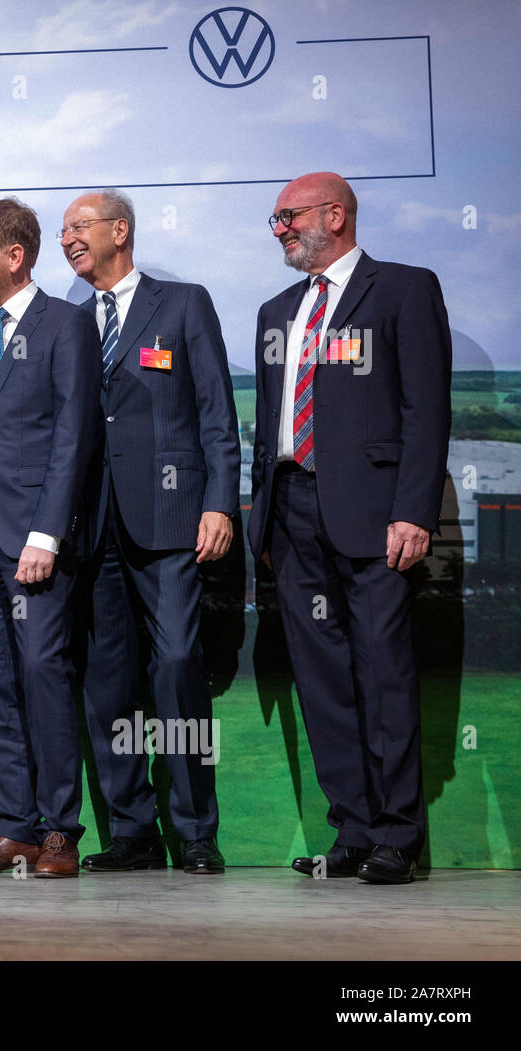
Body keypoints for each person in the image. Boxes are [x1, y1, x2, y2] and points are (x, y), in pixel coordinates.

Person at [249, 172, 451, 884]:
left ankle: (399, 834)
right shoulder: (276, 310)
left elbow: (426, 410)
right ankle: (354, 833)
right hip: (292, 514)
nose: (279, 230)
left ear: (335, 214)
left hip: (374, 514)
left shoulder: (403, 288)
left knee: (383, 671)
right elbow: (264, 426)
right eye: (274, 221)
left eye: (288, 217)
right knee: (323, 679)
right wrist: (262, 522)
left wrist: (413, 510)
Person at [59, 190, 240, 875]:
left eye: (79, 227)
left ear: (119, 230)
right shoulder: (73, 323)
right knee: (107, 683)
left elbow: (217, 412)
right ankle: (133, 831)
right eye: (63, 231)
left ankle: (196, 830)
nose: (69, 239)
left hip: (171, 522)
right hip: (92, 528)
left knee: (174, 668)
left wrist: (220, 502)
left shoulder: (185, 303)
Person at [0, 198, 100, 878]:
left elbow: (74, 437)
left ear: (14, 255)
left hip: (37, 544)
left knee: (43, 675)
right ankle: (16, 830)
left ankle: (61, 830)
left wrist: (47, 532)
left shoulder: (68, 326)